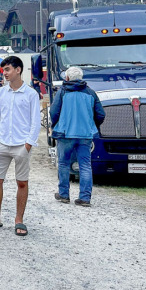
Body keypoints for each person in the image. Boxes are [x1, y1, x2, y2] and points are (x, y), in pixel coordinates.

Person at [0, 56, 40, 237]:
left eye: (7, 70)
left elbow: (35, 122)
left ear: (18, 70)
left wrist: (28, 144)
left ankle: (19, 219)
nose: (3, 73)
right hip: (2, 143)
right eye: (3, 70)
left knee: (22, 182)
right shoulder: (0, 93)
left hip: (22, 144)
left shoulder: (31, 94)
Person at [50, 66, 105, 206]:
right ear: (81, 78)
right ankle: (85, 198)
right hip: (85, 134)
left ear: (66, 78)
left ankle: (63, 195)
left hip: (65, 133)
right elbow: (101, 114)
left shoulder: (62, 92)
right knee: (85, 165)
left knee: (63, 163)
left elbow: (54, 112)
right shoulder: (90, 93)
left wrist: (55, 126)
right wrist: (92, 124)